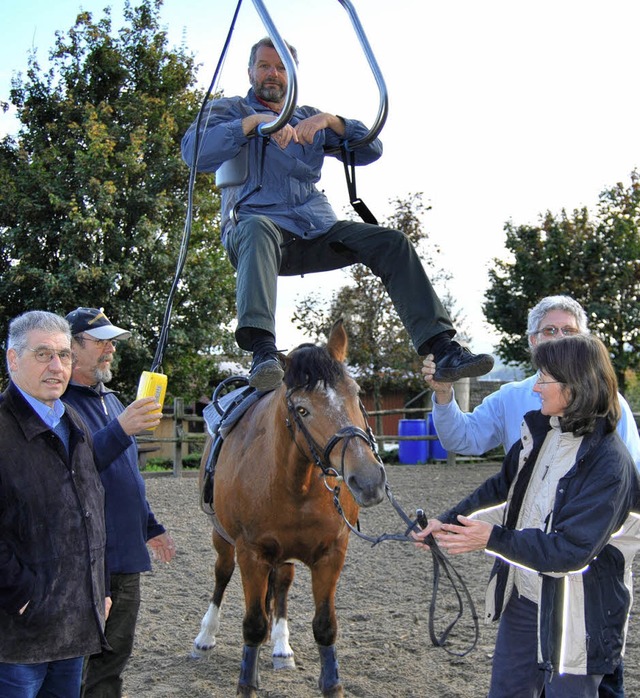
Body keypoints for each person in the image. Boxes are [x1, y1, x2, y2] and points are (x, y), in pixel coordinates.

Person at [181, 36, 494, 391]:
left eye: (282, 67)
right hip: (256, 236)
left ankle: (441, 348)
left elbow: (371, 148)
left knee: (391, 242)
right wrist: (253, 124)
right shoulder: (230, 111)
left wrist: (333, 122)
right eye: (266, 65)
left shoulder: (306, 120)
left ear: (293, 74)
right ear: (250, 70)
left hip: (313, 231)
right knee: (257, 228)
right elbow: (194, 153)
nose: (273, 74)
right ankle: (263, 352)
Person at [422, 295, 640, 697]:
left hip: (580, 609)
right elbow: (505, 490)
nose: (535, 387)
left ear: (575, 386)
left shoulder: (609, 460)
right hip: (525, 593)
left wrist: (489, 538)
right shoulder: (541, 430)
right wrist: (448, 523)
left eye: (545, 380)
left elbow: (572, 550)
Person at [62, 307, 176, 698]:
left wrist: (150, 526)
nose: (111, 348)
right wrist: (122, 428)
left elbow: (126, 475)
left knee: (113, 662)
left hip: (124, 559)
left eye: (112, 340)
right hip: (83, 562)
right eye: (101, 341)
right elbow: (71, 470)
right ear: (71, 347)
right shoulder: (57, 404)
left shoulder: (111, 399)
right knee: (74, 665)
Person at [0, 310, 108, 697]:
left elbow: (90, 511)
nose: (57, 366)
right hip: (18, 637)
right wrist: (23, 596)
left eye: (64, 355)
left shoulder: (74, 422)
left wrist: (100, 589)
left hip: (74, 626)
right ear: (13, 359)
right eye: (42, 354)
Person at [422, 295, 640, 468]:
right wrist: (443, 393)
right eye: (550, 330)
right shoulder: (510, 397)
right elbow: (461, 439)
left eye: (569, 331)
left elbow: (631, 469)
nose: (560, 338)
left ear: (583, 341)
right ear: (534, 341)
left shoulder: (609, 403)